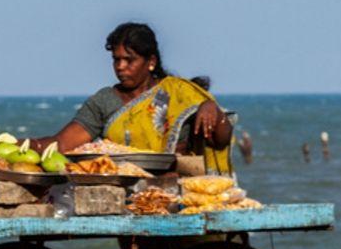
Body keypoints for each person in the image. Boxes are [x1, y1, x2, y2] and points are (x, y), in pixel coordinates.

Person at [36, 23, 233, 173]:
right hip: (123, 193)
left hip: (177, 191)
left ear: (151, 62)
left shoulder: (180, 93)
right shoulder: (105, 100)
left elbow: (221, 140)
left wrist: (211, 108)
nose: (120, 66)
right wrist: (17, 146)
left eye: (129, 60)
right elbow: (62, 144)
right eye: (116, 59)